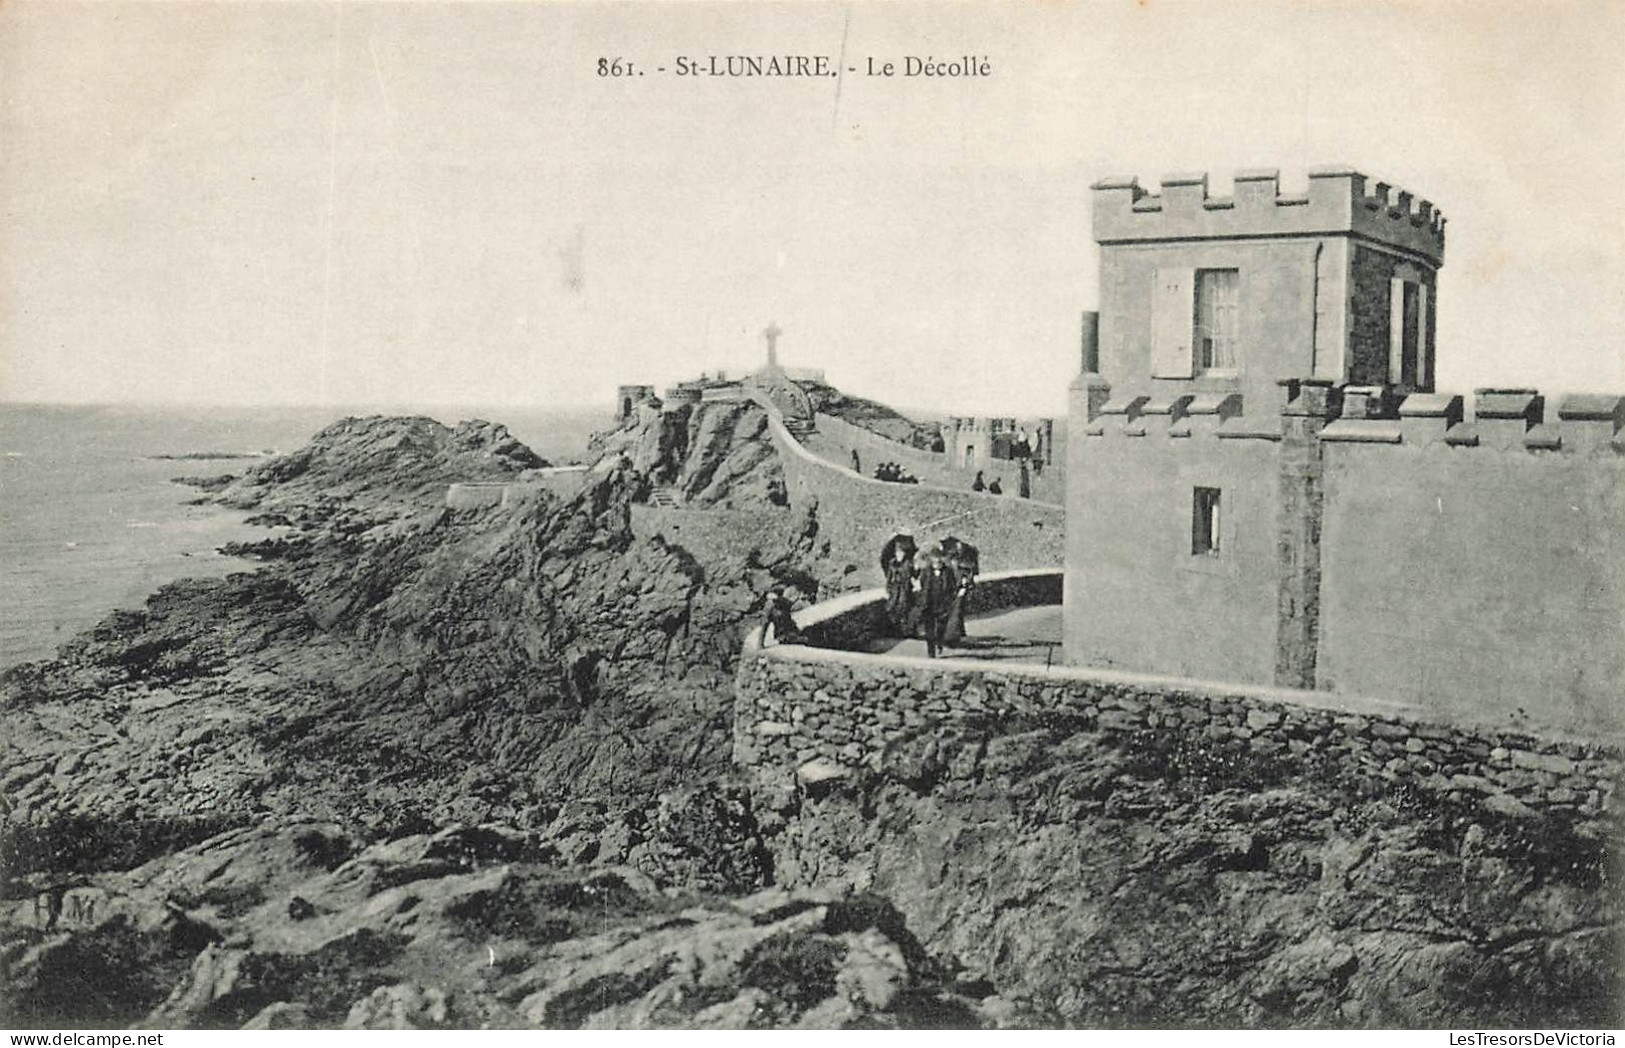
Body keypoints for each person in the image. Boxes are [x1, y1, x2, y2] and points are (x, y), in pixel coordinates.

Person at [917, 548, 956, 658]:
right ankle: (931, 652)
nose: (937, 563)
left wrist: (949, 600)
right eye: (934, 561)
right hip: (929, 603)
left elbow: (952, 587)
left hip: (942, 603)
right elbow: (922, 584)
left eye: (939, 561)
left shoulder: (948, 571)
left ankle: (939, 643)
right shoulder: (926, 571)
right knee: (929, 629)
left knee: (941, 627)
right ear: (931, 560)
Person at [879, 532, 918, 634]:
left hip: (905, 588)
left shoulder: (908, 563)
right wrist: (888, 587)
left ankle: (905, 630)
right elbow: (889, 576)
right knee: (891, 608)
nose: (899, 555)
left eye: (901, 553)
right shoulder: (892, 563)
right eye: (898, 553)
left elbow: (915, 575)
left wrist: (917, 571)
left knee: (905, 607)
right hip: (895, 589)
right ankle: (894, 628)